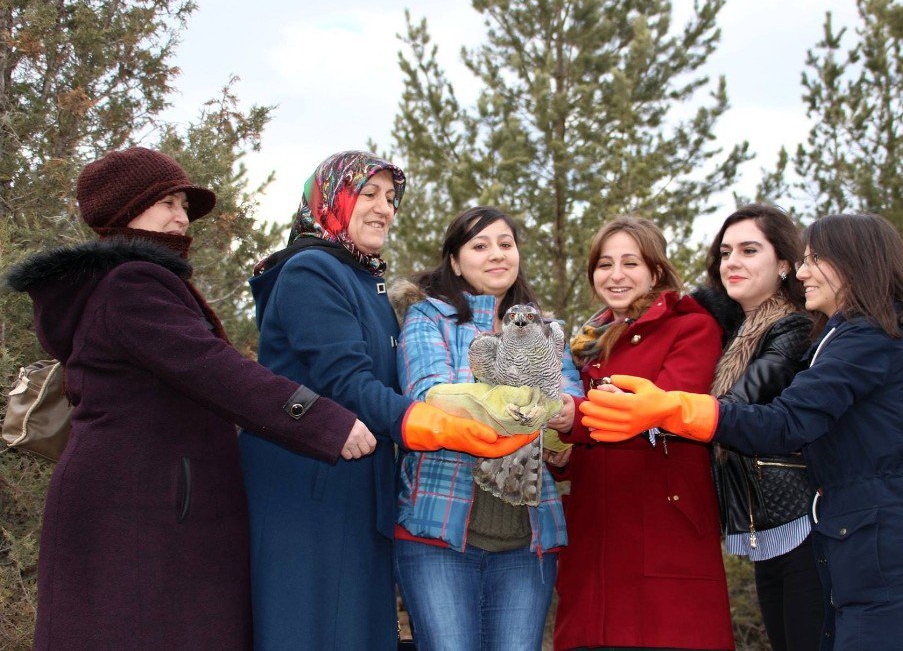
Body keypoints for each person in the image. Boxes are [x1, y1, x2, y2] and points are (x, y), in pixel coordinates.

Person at [5, 147, 374, 649]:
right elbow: (212, 369)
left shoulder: (121, 282)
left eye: (183, 204)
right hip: (142, 507)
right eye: (168, 203)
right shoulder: (133, 283)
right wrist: (323, 421)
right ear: (124, 211)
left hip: (138, 497)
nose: (182, 217)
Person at [581, 213, 903, 650]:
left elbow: (786, 422)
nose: (803, 271)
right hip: (859, 540)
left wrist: (674, 407)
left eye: (814, 259)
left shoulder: (868, 339)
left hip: (897, 549)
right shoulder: (842, 337)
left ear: (855, 263)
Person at [237, 155, 536, 650]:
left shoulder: (362, 279)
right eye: (368, 194)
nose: (385, 209)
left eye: (391, 199)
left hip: (355, 483)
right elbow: (348, 381)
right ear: (330, 199)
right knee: (312, 627)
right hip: (310, 488)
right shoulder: (312, 271)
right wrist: (430, 424)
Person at [392, 206, 583, 651]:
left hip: (528, 539)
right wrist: (532, 406)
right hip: (438, 530)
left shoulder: (549, 329)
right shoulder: (429, 318)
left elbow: (569, 400)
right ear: (456, 263)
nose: (497, 254)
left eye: (505, 243)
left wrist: (566, 416)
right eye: (480, 246)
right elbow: (431, 396)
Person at [552, 216, 735, 650]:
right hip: (594, 533)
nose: (615, 276)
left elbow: (659, 412)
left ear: (655, 270)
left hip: (662, 529)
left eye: (630, 263)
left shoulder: (690, 327)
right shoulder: (585, 343)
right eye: (604, 264)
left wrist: (568, 416)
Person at [703, 204, 824, 650]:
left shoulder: (792, 325)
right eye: (725, 251)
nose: (732, 261)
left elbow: (736, 407)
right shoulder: (731, 327)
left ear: (785, 264)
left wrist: (658, 412)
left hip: (802, 523)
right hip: (764, 524)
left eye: (749, 250)